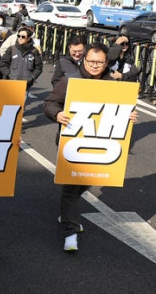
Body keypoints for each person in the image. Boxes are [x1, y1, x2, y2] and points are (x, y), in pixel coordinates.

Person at [43, 42, 138, 252]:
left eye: (100, 62)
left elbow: (119, 110)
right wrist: (57, 114)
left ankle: (67, 214)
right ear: (83, 60)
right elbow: (49, 103)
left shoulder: (112, 84)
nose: (95, 66)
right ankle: (70, 232)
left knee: (84, 183)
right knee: (71, 186)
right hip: (72, 142)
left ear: (106, 63)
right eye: (91, 61)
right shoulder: (70, 81)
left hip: (99, 143)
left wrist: (129, 115)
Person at [0, 26, 44, 94]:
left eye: (23, 37)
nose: (20, 38)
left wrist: (32, 78)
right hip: (10, 84)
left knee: (21, 104)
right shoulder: (12, 49)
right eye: (18, 36)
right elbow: (3, 64)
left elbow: (39, 67)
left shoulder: (34, 51)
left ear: (28, 38)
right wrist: (8, 75)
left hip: (25, 86)